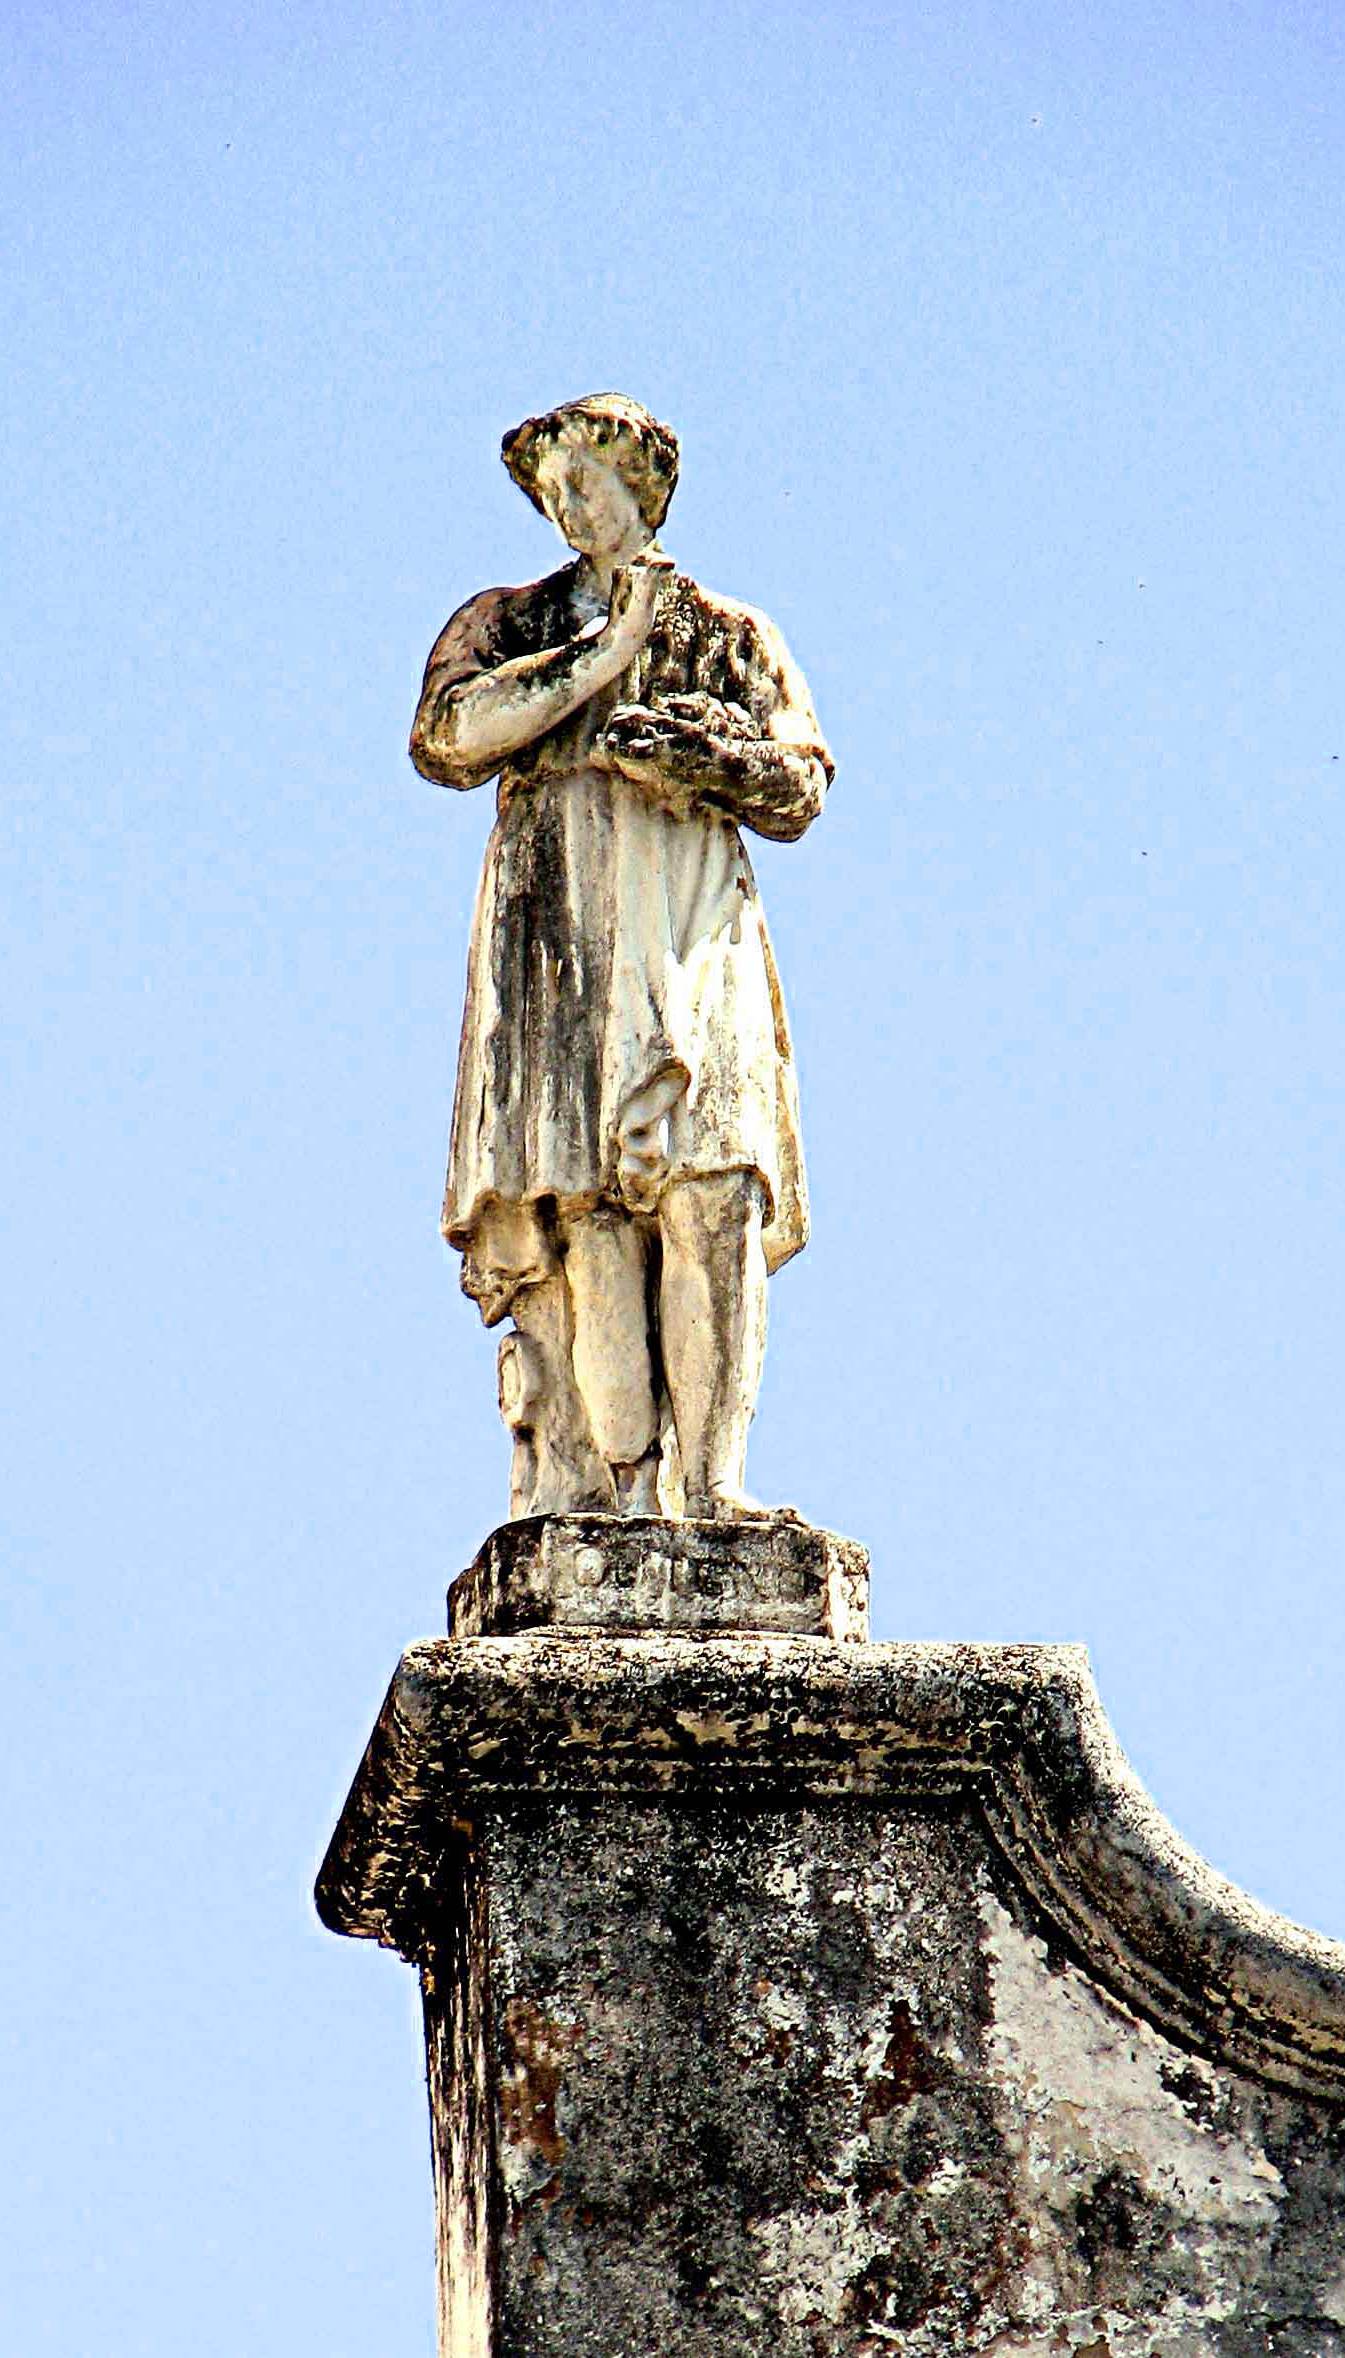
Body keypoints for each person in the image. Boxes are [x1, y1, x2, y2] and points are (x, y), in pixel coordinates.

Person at [411, 394, 833, 1521]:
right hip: (563, 926)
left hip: (687, 917)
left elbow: (800, 784)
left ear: (640, 485)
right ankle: (619, 1488)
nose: (568, 504)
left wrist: (702, 760)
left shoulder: (728, 635)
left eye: (585, 479)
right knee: (588, 1205)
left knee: (713, 1195)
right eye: (550, 489)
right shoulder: (512, 621)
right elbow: (447, 737)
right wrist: (605, 656)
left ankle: (716, 1483)